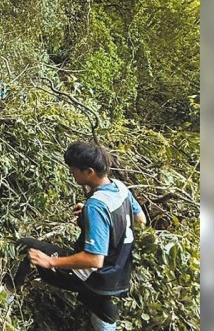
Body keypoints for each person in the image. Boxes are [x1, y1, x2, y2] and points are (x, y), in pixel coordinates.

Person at [9, 141, 147, 331]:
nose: (71, 174)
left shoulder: (97, 206)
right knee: (101, 309)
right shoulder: (120, 188)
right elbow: (141, 220)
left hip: (97, 276)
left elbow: (94, 259)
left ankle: (4, 298)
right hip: (119, 271)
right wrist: (99, 223)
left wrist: (50, 262)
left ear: (89, 171)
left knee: (24, 246)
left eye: (73, 170)